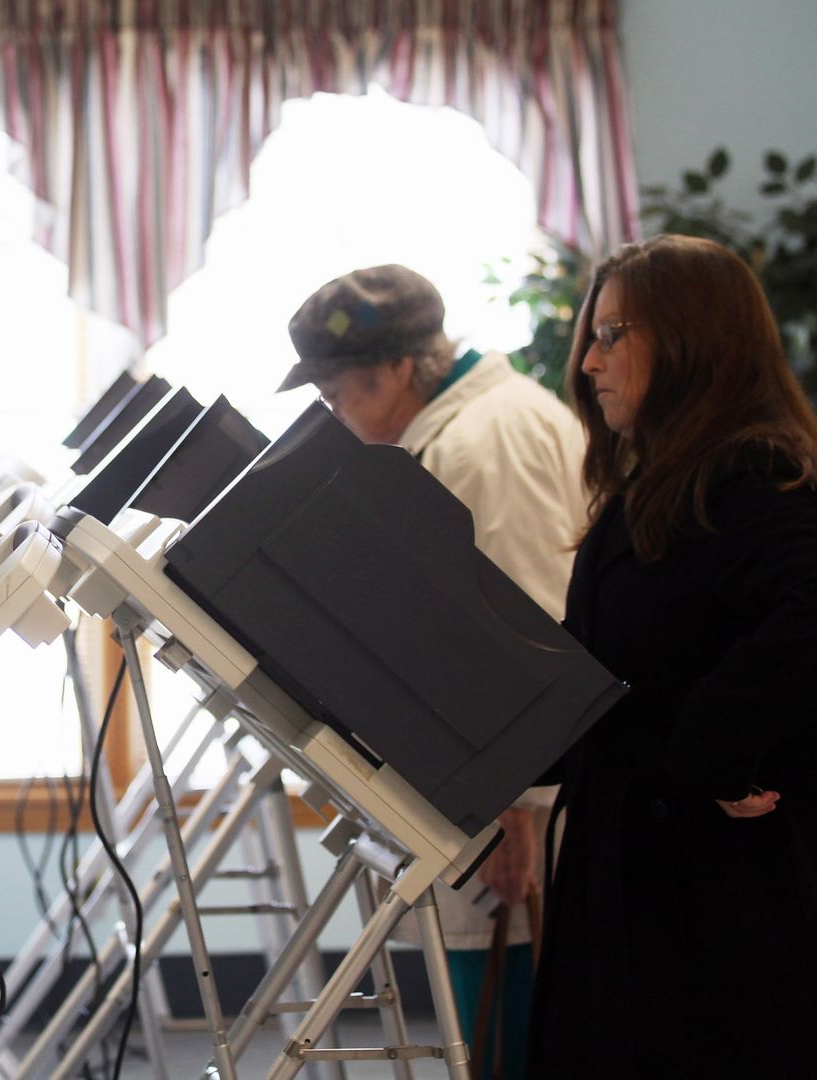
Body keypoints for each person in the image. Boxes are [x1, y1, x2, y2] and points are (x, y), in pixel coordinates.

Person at [527, 234, 817, 1078]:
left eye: (613, 333)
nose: (587, 361)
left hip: (733, 901)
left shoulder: (746, 476)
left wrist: (708, 754)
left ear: (691, 342)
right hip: (656, 881)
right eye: (592, 333)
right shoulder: (658, 483)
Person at [280, 263, 587, 1079]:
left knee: (505, 1006)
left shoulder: (484, 443)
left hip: (512, 789)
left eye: (341, 395)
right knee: (492, 997)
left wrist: (512, 810)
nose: (338, 420)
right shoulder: (469, 423)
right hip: (488, 771)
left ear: (400, 371)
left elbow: (529, 636)